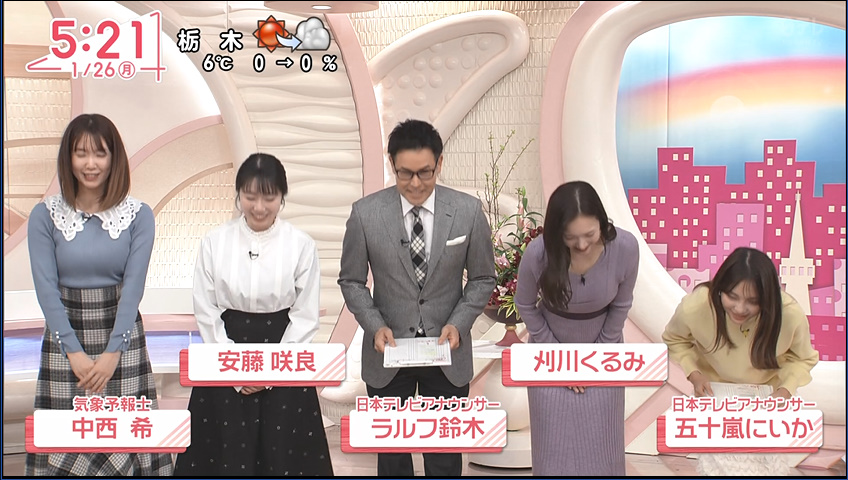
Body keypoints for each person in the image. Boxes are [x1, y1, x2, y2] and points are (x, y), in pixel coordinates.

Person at [338, 119, 496, 476]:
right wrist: (375, 326)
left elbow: (483, 278)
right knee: (391, 453)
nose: (415, 183)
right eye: (404, 173)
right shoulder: (365, 214)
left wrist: (459, 323)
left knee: (444, 453)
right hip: (388, 350)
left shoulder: (468, 211)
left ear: (439, 163)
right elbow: (351, 281)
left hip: (447, 349)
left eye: (425, 172)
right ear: (391, 164)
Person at [25, 113, 173, 475]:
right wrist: (73, 352)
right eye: (81, 153)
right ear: (68, 158)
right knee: (67, 443)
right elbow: (46, 290)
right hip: (65, 341)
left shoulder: (139, 215)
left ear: (114, 158)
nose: (90, 164)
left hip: (121, 339)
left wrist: (112, 354)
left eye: (100, 153)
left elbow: (133, 289)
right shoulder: (44, 216)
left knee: (123, 440)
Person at [173, 153, 333, 476]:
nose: (259, 207)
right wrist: (234, 370)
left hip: (284, 357)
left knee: (283, 456)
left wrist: (271, 372)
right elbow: (206, 308)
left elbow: (305, 317)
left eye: (269, 197)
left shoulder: (301, 244)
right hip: (225, 354)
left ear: (282, 196)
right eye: (250, 196)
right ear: (238, 195)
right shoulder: (214, 241)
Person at [514, 180, 639, 476]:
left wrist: (593, 361)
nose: (582, 245)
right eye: (570, 238)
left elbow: (621, 305)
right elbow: (525, 304)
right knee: (553, 448)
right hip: (548, 355)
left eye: (590, 235)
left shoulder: (625, 247)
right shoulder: (539, 253)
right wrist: (561, 362)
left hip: (604, 354)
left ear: (602, 222)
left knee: (602, 447)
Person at [662, 247, 818, 476]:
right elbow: (674, 339)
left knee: (767, 468)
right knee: (718, 467)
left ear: (767, 299)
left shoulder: (789, 314)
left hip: (767, 400)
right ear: (720, 288)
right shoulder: (697, 305)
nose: (740, 308)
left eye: (753, 301)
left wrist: (784, 391)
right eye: (732, 296)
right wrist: (694, 375)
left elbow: (803, 358)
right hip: (716, 396)